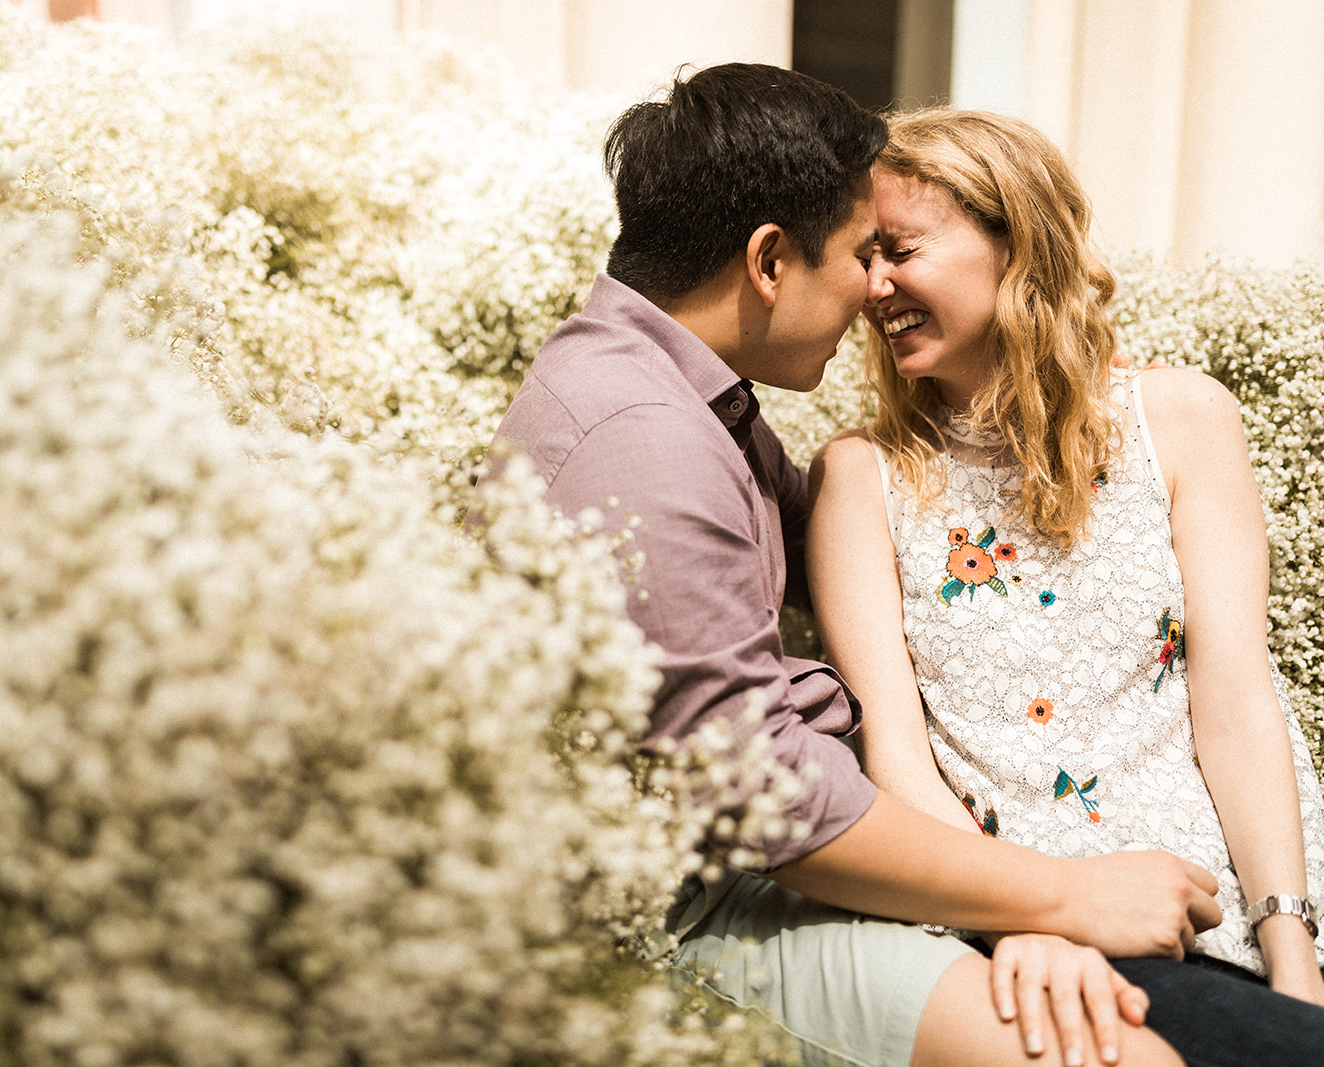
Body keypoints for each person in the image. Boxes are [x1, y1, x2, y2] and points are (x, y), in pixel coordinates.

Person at [476, 64, 1221, 1067]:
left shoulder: (679, 388)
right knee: (1110, 1057)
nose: (877, 287)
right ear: (769, 260)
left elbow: (839, 547)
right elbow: (767, 799)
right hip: (694, 901)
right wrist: (1060, 893)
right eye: (864, 253)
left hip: (775, 844)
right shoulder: (642, 439)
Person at [807, 108, 1324, 1067]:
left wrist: (1294, 951)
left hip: (1247, 908)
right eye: (865, 256)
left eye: (902, 250)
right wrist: (1023, 919)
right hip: (1041, 944)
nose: (874, 286)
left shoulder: (1182, 419)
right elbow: (899, 758)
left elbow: (1238, 700)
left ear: (1016, 238)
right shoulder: (858, 479)